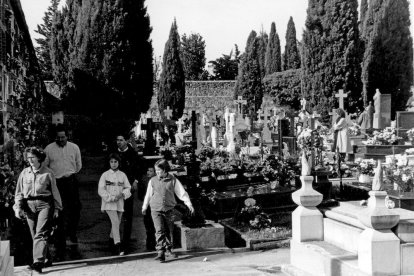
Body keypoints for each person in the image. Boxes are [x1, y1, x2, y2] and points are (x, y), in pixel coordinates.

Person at [14, 147, 62, 273]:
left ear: (39, 158)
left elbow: (55, 192)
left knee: (41, 232)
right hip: (29, 205)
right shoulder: (24, 173)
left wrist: (57, 208)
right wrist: (18, 207)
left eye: (33, 157)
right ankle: (46, 258)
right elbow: (19, 192)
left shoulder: (48, 173)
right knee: (35, 234)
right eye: (28, 157)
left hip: (45, 204)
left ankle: (38, 261)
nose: (30, 160)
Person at [142, 159, 194, 262]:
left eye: (159, 171)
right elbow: (148, 194)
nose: (157, 173)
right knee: (159, 230)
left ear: (165, 170)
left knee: (169, 229)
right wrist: (144, 206)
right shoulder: (153, 180)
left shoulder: (173, 180)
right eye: (156, 171)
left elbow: (181, 193)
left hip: (169, 209)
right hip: (155, 209)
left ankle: (169, 249)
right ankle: (160, 252)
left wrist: (189, 204)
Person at [44, 124, 82, 259]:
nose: (61, 140)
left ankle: (72, 232)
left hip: (71, 181)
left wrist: (69, 174)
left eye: (63, 137)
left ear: (67, 136)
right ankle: (60, 238)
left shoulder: (74, 147)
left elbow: (78, 165)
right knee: (59, 210)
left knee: (75, 208)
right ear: (55, 137)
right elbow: (45, 166)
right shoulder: (49, 149)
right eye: (58, 137)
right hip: (57, 183)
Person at [98, 153, 131, 256]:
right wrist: (111, 198)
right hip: (108, 204)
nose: (113, 164)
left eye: (115, 162)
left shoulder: (122, 175)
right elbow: (101, 190)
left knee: (117, 223)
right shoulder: (105, 175)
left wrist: (122, 194)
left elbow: (128, 188)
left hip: (120, 203)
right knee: (115, 222)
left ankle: (111, 243)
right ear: (109, 163)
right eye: (111, 162)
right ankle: (118, 245)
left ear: (118, 163)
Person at [114, 133, 142, 250]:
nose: (118, 142)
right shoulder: (113, 154)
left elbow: (139, 169)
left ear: (126, 141)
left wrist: (135, 181)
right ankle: (115, 239)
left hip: (128, 187)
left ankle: (126, 240)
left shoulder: (132, 154)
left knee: (127, 214)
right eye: (117, 140)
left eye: (121, 140)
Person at [138, 166, 157, 251]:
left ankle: (154, 243)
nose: (148, 172)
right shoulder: (144, 180)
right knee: (148, 225)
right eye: (147, 170)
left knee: (154, 225)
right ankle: (150, 243)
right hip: (147, 206)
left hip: (155, 205)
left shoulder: (157, 180)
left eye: (151, 171)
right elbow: (140, 194)